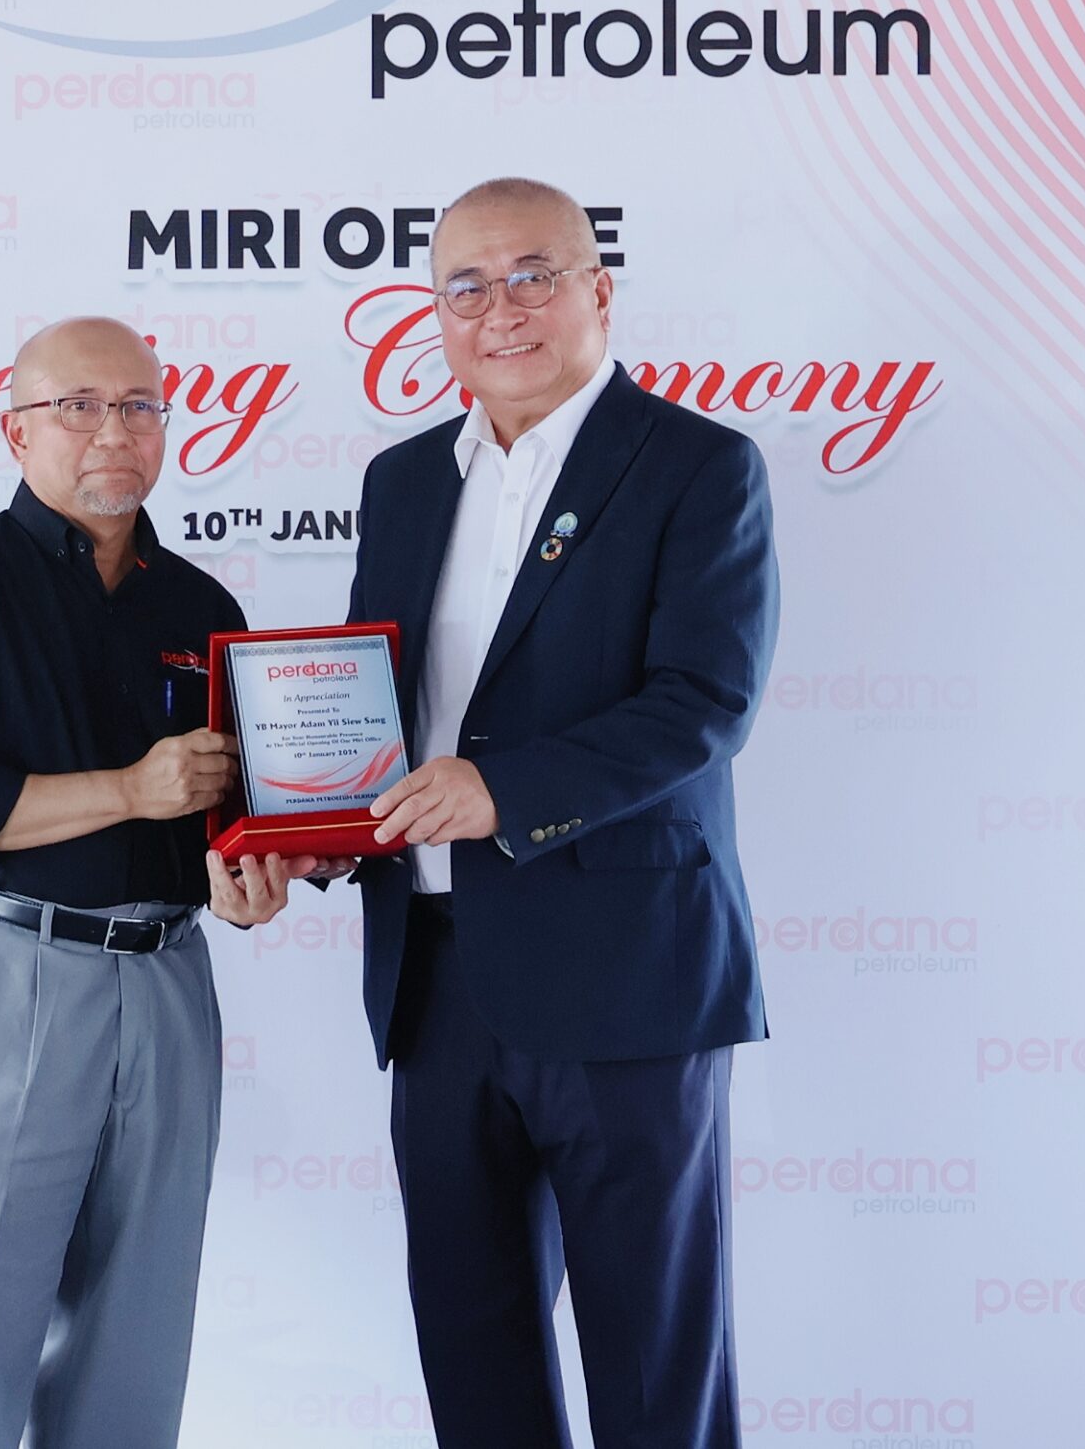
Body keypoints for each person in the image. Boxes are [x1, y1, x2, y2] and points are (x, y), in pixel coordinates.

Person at [210, 177, 780, 1449]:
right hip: (436, 982)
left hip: (627, 983)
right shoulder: (404, 479)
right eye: (464, 287)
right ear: (434, 313)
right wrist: (313, 838)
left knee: (655, 1371)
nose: (499, 310)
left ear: (597, 291)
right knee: (474, 1365)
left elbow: (703, 701)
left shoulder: (697, 466)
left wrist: (501, 792)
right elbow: (379, 716)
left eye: (532, 276)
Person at [0, 316, 245, 1449]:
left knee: (140, 1328)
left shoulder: (202, 609)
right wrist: (131, 789)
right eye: (78, 406)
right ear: (16, 430)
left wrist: (256, 869)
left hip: (167, 980)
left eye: (139, 406)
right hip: (6, 968)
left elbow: (226, 816)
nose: (112, 431)